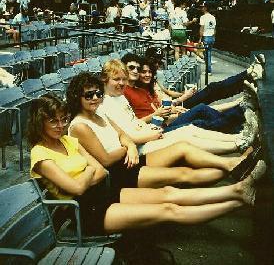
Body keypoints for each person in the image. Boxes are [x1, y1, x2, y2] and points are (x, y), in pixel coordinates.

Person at [29, 93, 265, 235]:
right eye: (53, 121)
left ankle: (237, 190)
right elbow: (78, 189)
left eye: (62, 119)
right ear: (40, 123)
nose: (60, 125)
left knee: (169, 193)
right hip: (85, 212)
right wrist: (89, 172)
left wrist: (88, 174)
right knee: (168, 210)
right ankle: (239, 201)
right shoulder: (40, 156)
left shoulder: (69, 140)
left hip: (106, 191)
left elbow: (100, 171)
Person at [100, 59, 257, 155]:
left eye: (123, 78)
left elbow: (138, 120)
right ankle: (241, 121)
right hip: (158, 126)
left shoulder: (129, 93)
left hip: (160, 121)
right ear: (105, 79)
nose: (121, 82)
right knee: (199, 118)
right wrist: (164, 115)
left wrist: (181, 97)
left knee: (205, 104)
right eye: (117, 79)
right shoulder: (118, 97)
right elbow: (127, 132)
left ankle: (242, 120)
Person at [123, 56, 247, 134]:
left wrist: (181, 97)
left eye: (149, 71)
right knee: (203, 110)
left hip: (171, 112)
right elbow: (153, 115)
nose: (146, 74)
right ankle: (241, 114)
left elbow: (165, 95)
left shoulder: (143, 89)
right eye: (141, 71)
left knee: (209, 95)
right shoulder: (126, 92)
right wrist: (180, 101)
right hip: (164, 121)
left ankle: (242, 104)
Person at [199, 3, 216, 75]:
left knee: (206, 54)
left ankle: (208, 70)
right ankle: (208, 69)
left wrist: (200, 38)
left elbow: (201, 28)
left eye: (203, 7)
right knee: (208, 53)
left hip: (205, 36)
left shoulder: (202, 17)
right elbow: (215, 29)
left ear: (206, 8)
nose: (201, 8)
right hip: (212, 36)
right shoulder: (213, 17)